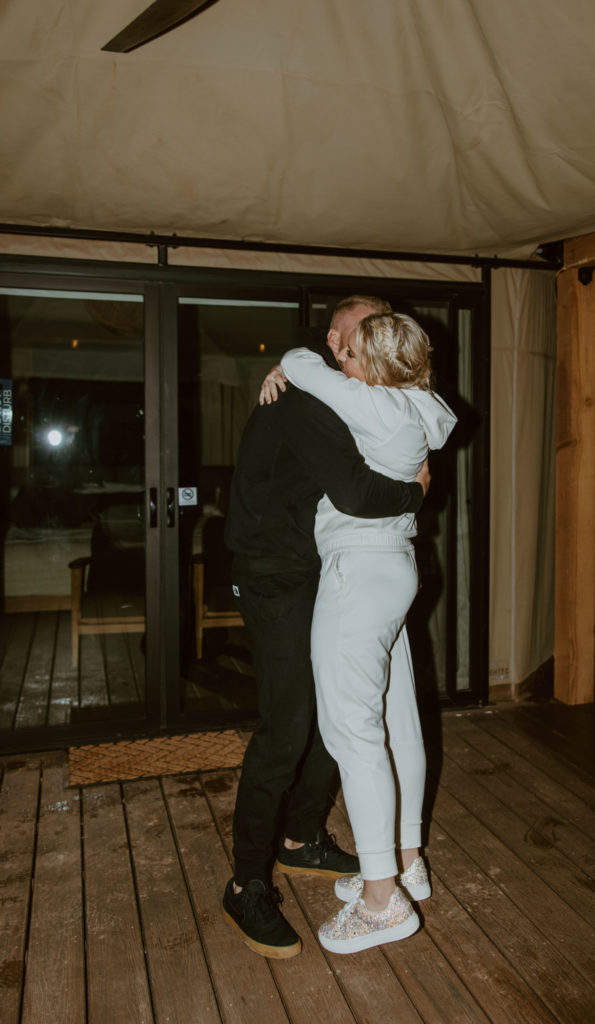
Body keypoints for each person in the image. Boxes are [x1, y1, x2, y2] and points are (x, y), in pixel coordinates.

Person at [222, 295, 430, 960]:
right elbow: (356, 492)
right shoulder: (308, 396)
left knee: (332, 714)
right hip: (278, 572)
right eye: (365, 331)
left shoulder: (330, 380)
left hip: (320, 568)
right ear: (342, 339)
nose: (374, 341)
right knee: (288, 726)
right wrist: (416, 492)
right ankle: (245, 882)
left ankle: (301, 836)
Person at [267, 311, 456, 954]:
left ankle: (381, 899)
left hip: (359, 571)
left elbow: (297, 363)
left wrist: (295, 364)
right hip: (394, 569)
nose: (343, 363)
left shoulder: (375, 406)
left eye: (352, 358)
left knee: (352, 730)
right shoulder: (423, 405)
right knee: (396, 720)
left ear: (374, 371)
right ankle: (406, 860)